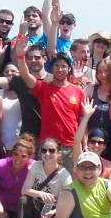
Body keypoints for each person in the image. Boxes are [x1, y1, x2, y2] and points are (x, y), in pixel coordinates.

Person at [15, 35, 85, 171]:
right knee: (45, 184)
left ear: (69, 68)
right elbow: (25, 75)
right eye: (56, 66)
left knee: (68, 185)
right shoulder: (43, 88)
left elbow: (82, 120)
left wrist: (83, 145)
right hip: (48, 147)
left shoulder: (78, 91)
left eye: (63, 66)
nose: (60, 69)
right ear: (51, 68)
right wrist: (20, 56)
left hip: (71, 146)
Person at [14, 135, 72, 218]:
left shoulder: (64, 175)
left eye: (51, 150)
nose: (47, 153)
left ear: (59, 153)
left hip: (54, 213)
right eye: (44, 150)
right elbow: (24, 190)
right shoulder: (36, 166)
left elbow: (70, 203)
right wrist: (41, 193)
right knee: (23, 200)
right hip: (37, 211)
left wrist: (53, 212)